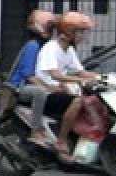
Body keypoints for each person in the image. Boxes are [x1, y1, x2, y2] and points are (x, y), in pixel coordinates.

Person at [35, 11, 101, 161]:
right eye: (79, 32)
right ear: (68, 31)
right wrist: (78, 81)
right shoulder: (51, 48)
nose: (82, 36)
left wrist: (104, 77)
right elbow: (55, 75)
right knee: (77, 101)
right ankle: (61, 141)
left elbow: (81, 72)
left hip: (61, 91)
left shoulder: (69, 50)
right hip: (47, 91)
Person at [6, 9, 58, 147]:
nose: (52, 31)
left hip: (26, 85)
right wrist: (48, 88)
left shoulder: (44, 46)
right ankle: (36, 131)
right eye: (50, 27)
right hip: (18, 87)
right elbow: (28, 75)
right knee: (40, 93)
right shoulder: (33, 46)